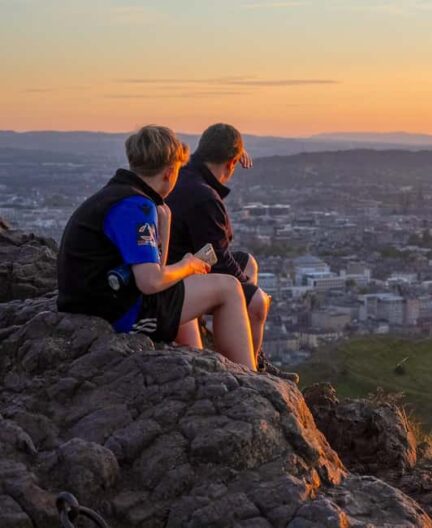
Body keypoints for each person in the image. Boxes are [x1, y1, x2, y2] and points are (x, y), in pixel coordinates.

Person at [57, 125, 255, 371]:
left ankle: (199, 364)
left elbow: (155, 270)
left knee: (179, 287)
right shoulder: (135, 206)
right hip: (116, 312)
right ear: (169, 172)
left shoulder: (119, 194)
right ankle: (247, 374)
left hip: (94, 302)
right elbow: (150, 282)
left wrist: (165, 225)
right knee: (229, 288)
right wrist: (187, 265)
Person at [166, 123, 299, 383]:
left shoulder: (184, 173)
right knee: (258, 303)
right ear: (231, 163)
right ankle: (249, 371)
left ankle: (243, 344)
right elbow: (216, 256)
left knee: (249, 263)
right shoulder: (204, 196)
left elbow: (210, 251)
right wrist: (250, 291)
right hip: (178, 275)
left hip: (181, 260)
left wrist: (234, 153)